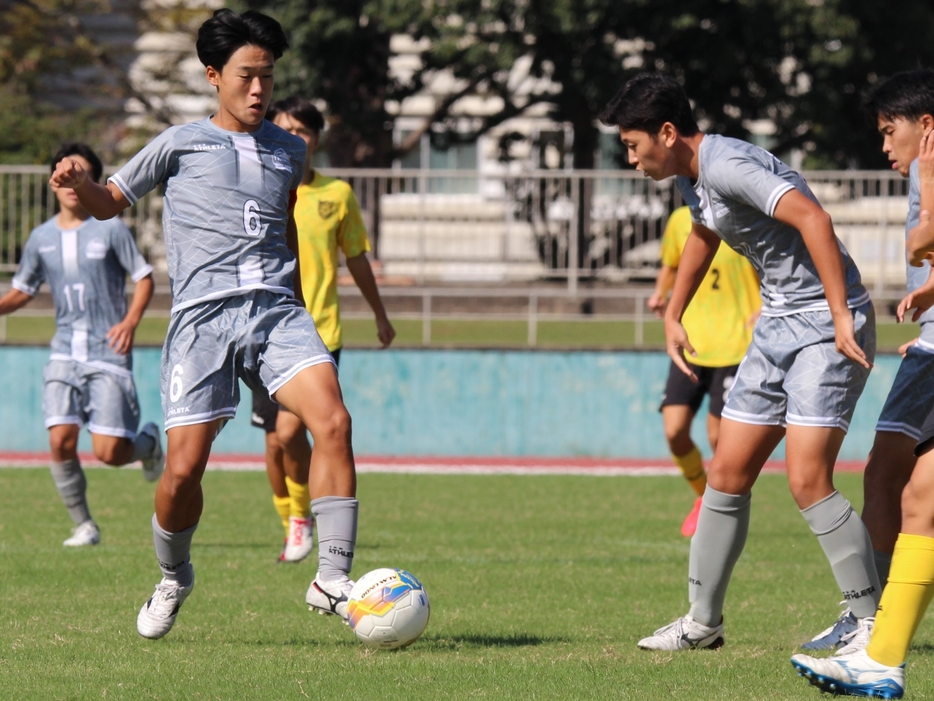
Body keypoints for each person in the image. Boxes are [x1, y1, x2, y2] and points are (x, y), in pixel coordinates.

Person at [50, 9, 361, 639]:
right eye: (247, 77)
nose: (258, 91)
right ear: (214, 75)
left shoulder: (291, 151)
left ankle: (332, 577)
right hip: (203, 321)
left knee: (332, 420)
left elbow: (286, 236)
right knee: (183, 471)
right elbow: (111, 202)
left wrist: (301, 308)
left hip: (277, 312)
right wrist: (81, 186)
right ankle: (173, 575)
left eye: (267, 79)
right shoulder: (178, 144)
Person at [599, 73, 880, 652]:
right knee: (725, 475)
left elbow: (814, 220)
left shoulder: (725, 164)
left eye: (632, 145)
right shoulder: (693, 177)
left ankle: (871, 624)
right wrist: (675, 312)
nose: (630, 159)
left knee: (807, 480)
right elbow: (706, 232)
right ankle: (702, 624)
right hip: (778, 324)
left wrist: (841, 317)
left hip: (825, 325)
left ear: (668, 132)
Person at [787, 82, 934, 700]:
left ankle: (873, 636)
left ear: (924, 124)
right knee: (918, 496)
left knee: (909, 490)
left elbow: (927, 235)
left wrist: (917, 243)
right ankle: (881, 653)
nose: (884, 146)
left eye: (887, 130)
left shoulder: (931, 157)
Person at [251, 96, 395, 563]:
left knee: (293, 432)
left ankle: (303, 523)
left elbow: (356, 258)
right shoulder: (260, 186)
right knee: (274, 443)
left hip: (317, 333)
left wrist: (379, 314)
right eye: (284, 128)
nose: (294, 138)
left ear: (316, 139)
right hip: (259, 330)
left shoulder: (337, 195)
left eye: (303, 131)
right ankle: (293, 518)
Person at [0, 143, 162, 546]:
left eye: (81, 173)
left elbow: (144, 278)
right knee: (60, 439)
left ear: (93, 181)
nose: (72, 181)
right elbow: (23, 289)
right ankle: (85, 525)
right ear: (54, 182)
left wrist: (129, 321)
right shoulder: (40, 238)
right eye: (64, 173)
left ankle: (148, 444)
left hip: (107, 353)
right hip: (64, 354)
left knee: (109, 453)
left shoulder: (111, 228)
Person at [648, 205, 760, 537]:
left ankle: (721, 511)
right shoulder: (681, 219)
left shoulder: (745, 216)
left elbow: (767, 267)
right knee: (674, 430)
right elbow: (671, 266)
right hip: (690, 341)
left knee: (718, 438)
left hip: (734, 344)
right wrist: (660, 293)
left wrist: (766, 305)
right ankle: (703, 498)